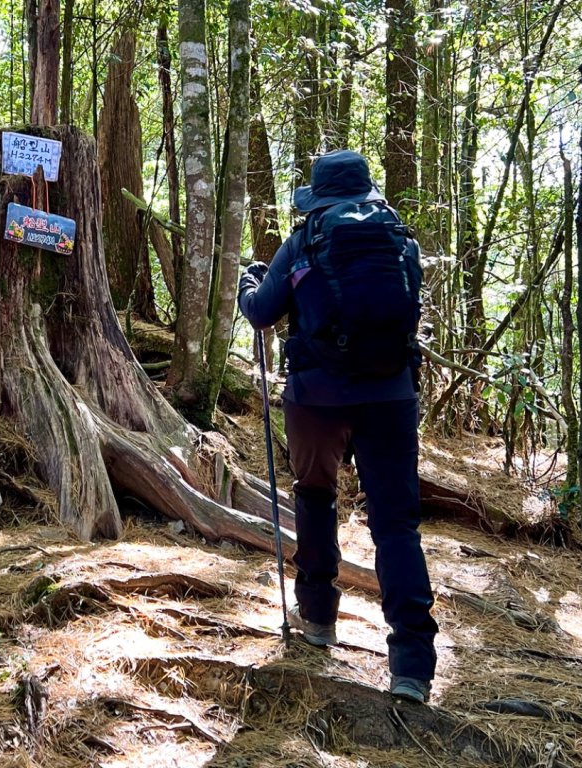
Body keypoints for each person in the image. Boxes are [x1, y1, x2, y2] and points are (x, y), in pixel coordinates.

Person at [237, 150, 438, 704]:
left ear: (318, 195)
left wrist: (248, 285)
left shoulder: (303, 241)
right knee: (397, 526)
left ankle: (319, 620)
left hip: (317, 398)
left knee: (315, 496)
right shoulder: (401, 242)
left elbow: (261, 313)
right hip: (391, 395)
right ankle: (413, 667)